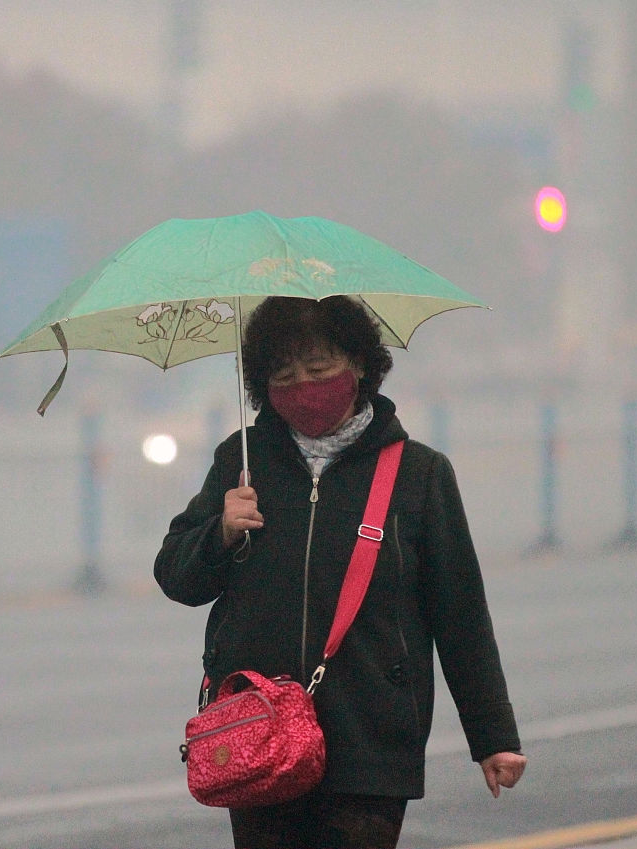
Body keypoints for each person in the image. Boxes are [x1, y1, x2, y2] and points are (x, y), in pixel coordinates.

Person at [154, 296, 526, 849]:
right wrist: (221, 532)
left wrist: (493, 736)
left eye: (320, 369)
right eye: (284, 374)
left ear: (360, 367)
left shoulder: (419, 474)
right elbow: (176, 577)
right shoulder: (242, 460)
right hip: (259, 732)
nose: (303, 386)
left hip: (371, 739)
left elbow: (460, 613)